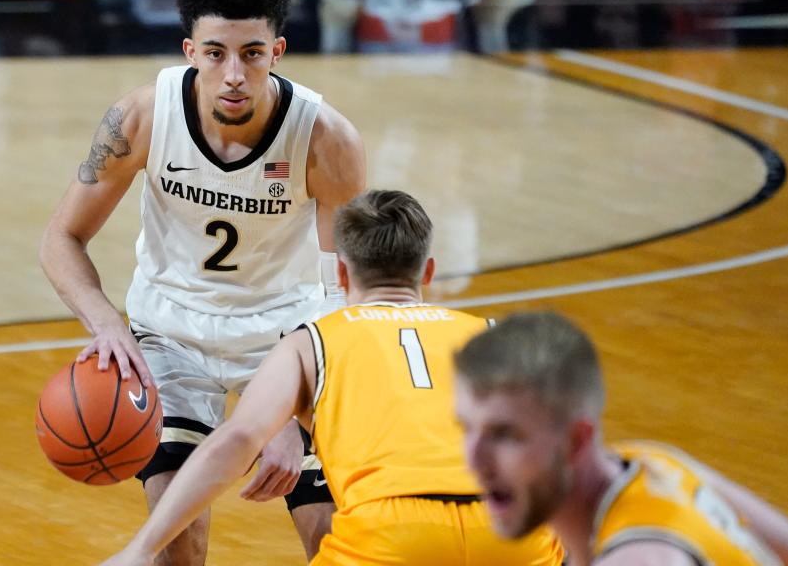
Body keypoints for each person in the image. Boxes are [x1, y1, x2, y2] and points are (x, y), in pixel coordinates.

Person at [39, 0, 366, 564]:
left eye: (252, 53)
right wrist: (108, 324)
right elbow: (61, 239)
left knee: (331, 536)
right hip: (169, 335)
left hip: (288, 337)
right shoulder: (141, 116)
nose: (234, 73)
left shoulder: (327, 140)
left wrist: (294, 416)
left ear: (279, 51)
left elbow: (345, 290)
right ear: (190, 50)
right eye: (217, 53)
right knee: (176, 542)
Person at [98, 190, 564, 565]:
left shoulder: (312, 340)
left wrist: (138, 550)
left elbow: (236, 439)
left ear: (340, 274)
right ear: (429, 270)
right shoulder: (495, 337)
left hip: (394, 533)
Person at [454, 312, 788, 565]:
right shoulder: (653, 462)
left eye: (505, 435)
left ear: (576, 441)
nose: (474, 460)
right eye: (467, 427)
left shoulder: (640, 556)